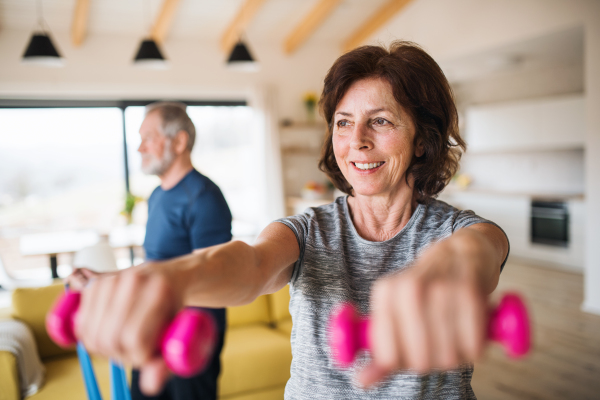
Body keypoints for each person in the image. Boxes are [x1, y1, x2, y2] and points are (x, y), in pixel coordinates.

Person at [73, 42, 509, 399]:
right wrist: (167, 280)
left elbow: (482, 250)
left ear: (421, 140)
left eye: (379, 121)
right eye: (343, 123)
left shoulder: (457, 233)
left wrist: (454, 267)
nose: (356, 140)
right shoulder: (308, 230)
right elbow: (250, 264)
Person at [68, 102, 232, 400]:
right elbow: (156, 267)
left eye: (149, 137)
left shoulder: (204, 198)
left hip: (189, 337)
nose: (140, 147)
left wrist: (182, 346)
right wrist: (104, 278)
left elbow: (216, 275)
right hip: (150, 327)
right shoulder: (157, 196)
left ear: (179, 141)